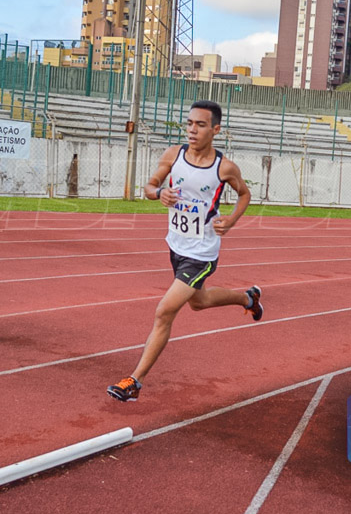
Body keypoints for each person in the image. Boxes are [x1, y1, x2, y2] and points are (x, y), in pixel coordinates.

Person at [108, 100, 262, 402]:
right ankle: (248, 297)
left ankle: (135, 381)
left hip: (202, 253)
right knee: (199, 302)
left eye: (200, 125)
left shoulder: (224, 167)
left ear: (216, 130)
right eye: (189, 123)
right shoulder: (174, 155)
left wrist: (230, 220)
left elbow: (244, 194)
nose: (192, 130)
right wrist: (158, 193)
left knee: (164, 311)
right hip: (176, 245)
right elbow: (150, 186)